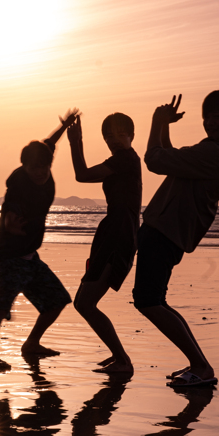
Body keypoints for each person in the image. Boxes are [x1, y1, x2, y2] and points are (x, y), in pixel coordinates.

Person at [133, 90, 219, 387]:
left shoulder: (215, 153)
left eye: (216, 117)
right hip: (170, 230)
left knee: (148, 300)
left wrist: (155, 122)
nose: (209, 122)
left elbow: (155, 160)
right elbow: (171, 158)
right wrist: (165, 126)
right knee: (153, 299)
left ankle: (201, 365)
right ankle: (197, 363)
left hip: (165, 230)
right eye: (206, 117)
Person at [0, 110, 78, 370]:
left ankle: (31, 343)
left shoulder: (44, 156)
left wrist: (64, 125)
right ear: (24, 166)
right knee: (2, 305)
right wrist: (10, 222)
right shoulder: (18, 183)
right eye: (34, 167)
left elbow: (50, 142)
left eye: (44, 167)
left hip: (30, 257)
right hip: (8, 256)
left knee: (57, 300)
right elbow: (10, 210)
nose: (40, 172)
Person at [66, 112, 142, 375]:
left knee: (85, 303)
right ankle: (119, 357)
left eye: (121, 133)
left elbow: (82, 175)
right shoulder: (123, 160)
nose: (114, 140)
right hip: (113, 233)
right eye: (109, 135)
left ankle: (122, 360)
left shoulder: (125, 159)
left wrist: (75, 143)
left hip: (118, 236)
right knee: (84, 302)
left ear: (132, 135)